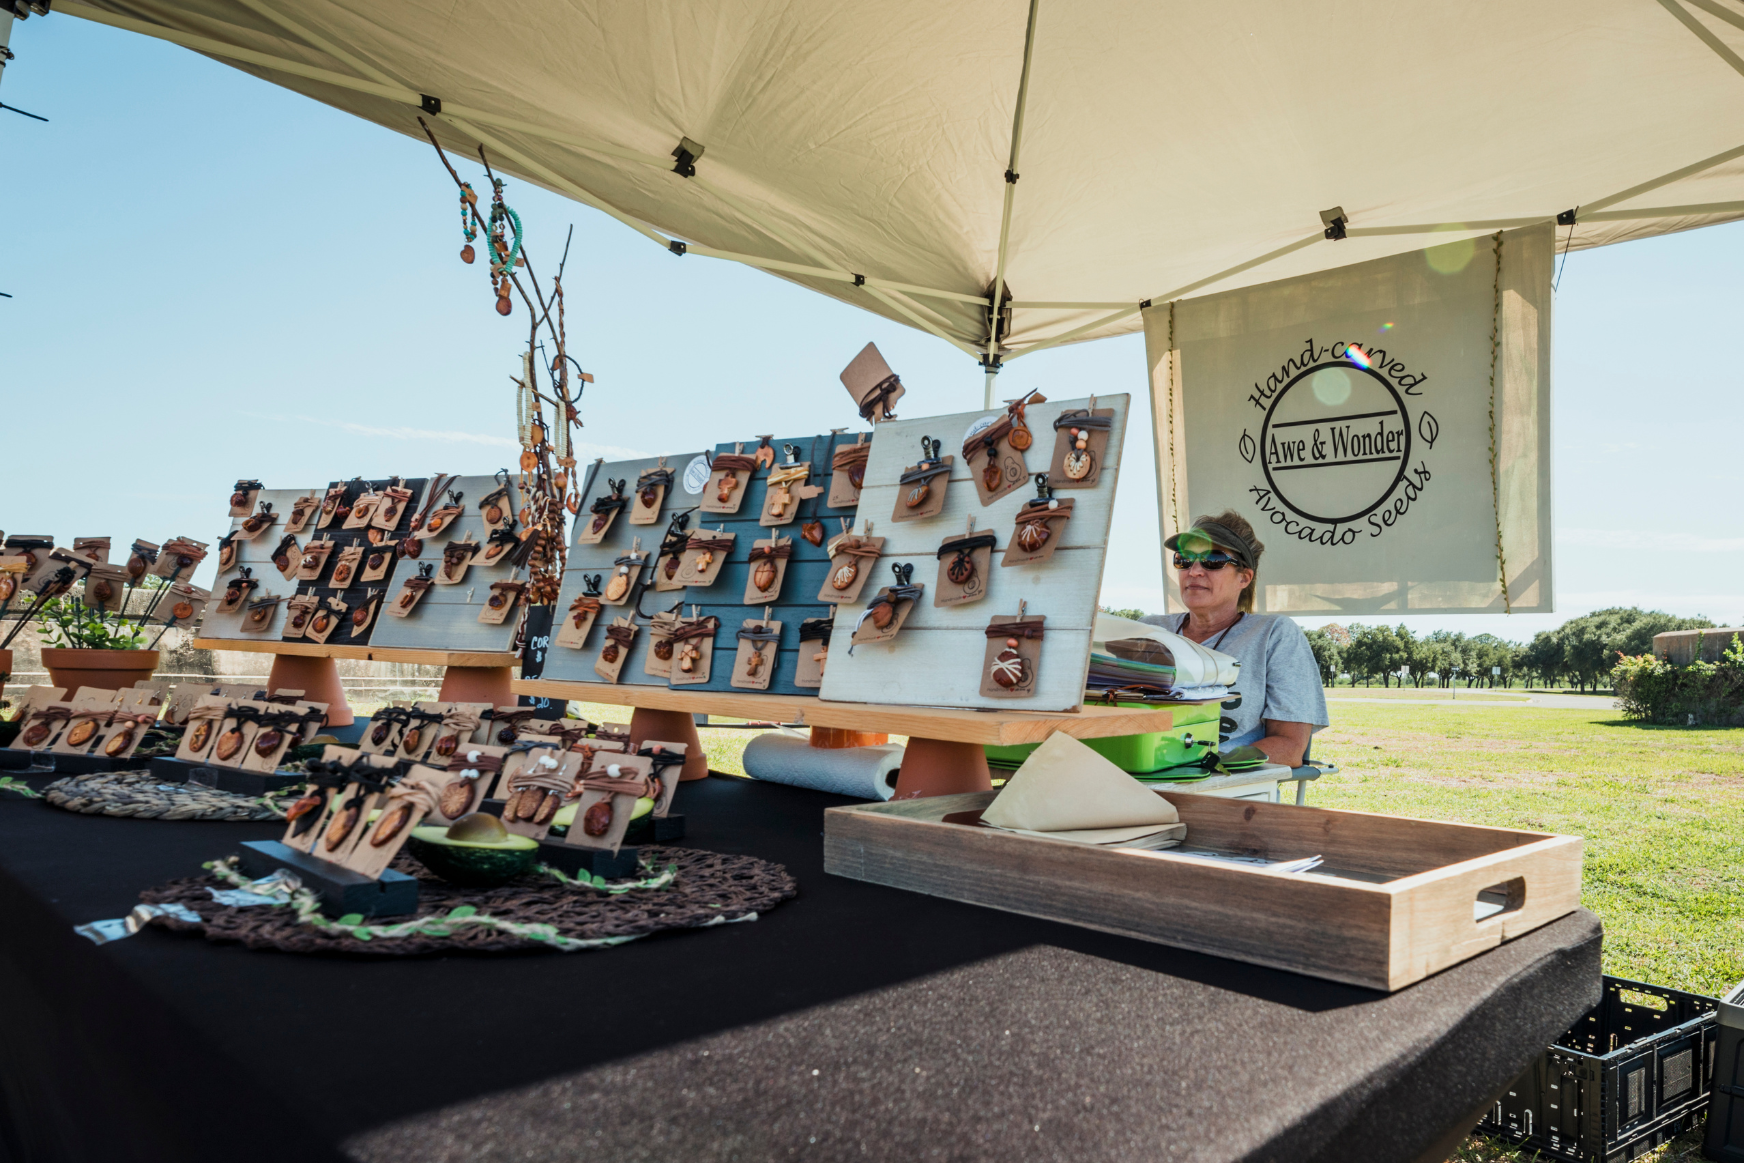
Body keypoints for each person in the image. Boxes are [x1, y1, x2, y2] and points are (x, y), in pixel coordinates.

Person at [1162, 510, 1327, 767]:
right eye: (1184, 559)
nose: (1194, 571)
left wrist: (1204, 767)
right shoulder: (1149, 630)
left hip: (1229, 789)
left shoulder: (1273, 635)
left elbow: (1290, 745)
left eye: (1212, 560)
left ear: (1244, 577)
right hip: (1138, 780)